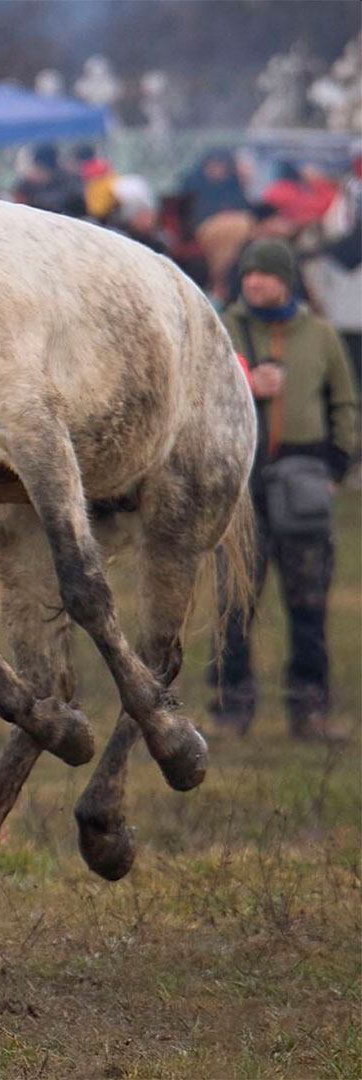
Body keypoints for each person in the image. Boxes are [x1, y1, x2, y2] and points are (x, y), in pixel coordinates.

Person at [210, 239, 358, 742]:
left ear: (285, 280)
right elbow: (202, 389)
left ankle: (309, 710)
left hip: (303, 479)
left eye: (265, 274)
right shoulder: (222, 328)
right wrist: (248, 388)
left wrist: (335, 465)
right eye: (248, 273)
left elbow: (344, 401)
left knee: (308, 604)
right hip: (241, 480)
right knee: (234, 603)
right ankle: (231, 710)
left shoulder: (319, 336)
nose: (254, 281)